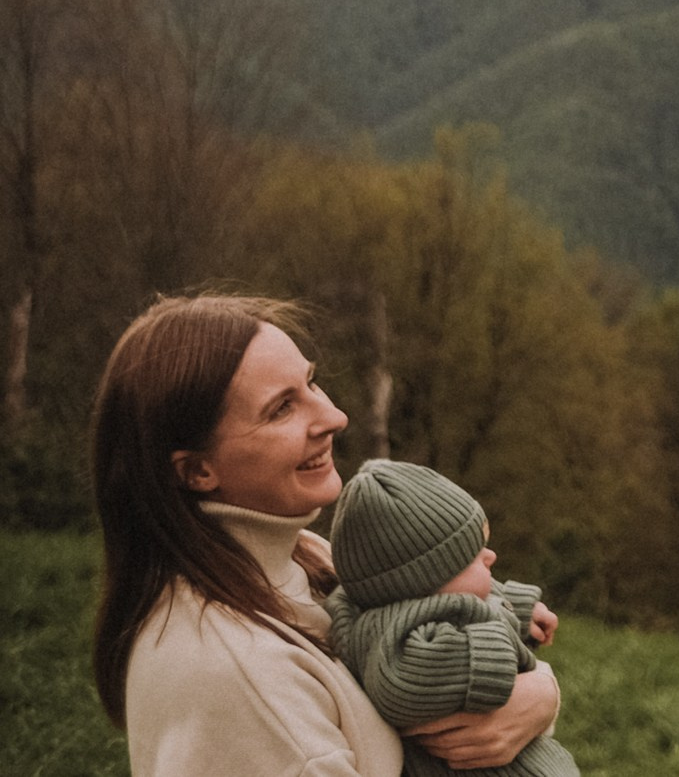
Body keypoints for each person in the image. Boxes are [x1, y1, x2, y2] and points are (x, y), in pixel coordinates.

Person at [90, 293, 561, 777]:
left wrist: (539, 696)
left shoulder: (306, 558)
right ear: (196, 471)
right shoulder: (233, 673)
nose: (335, 417)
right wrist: (530, 697)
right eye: (281, 409)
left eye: (310, 382)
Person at [324, 460, 578, 777]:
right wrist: (503, 629)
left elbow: (468, 598)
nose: (491, 557)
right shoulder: (395, 641)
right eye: (473, 556)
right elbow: (405, 682)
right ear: (424, 583)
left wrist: (518, 608)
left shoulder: (398, 599)